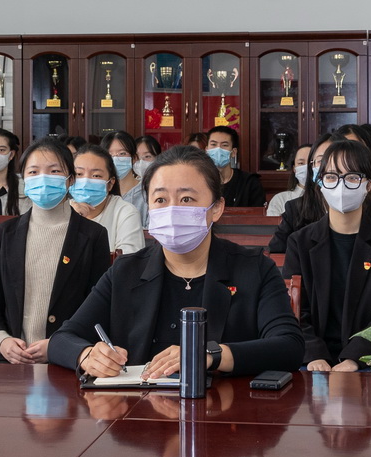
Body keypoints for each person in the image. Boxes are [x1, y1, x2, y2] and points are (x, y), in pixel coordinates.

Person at [50, 145, 304, 379]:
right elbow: (62, 339)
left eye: (186, 199)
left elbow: (289, 346)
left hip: (225, 407)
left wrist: (209, 355)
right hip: (138, 408)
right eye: (160, 200)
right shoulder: (126, 271)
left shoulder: (254, 268)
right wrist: (87, 355)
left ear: (216, 208)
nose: (172, 210)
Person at [283, 137, 371, 371]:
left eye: (352, 177)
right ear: (320, 183)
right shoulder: (299, 242)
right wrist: (315, 355)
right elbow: (295, 308)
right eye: (331, 177)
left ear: (368, 185)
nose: (340, 186)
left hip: (368, 360)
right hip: (311, 361)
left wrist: (354, 358)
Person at [0, 139, 111, 365]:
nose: (43, 178)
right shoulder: (6, 233)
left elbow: (98, 306)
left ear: (70, 179)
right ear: (24, 179)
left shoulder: (93, 235)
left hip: (69, 359)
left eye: (54, 171)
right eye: (33, 172)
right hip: (9, 358)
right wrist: (2, 341)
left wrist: (59, 347)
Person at [266, 134, 371, 253]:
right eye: (322, 160)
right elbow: (277, 253)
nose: (330, 167)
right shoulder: (295, 210)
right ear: (312, 166)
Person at [69, 143, 144, 254]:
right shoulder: (64, 211)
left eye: (96, 175)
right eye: (79, 174)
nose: (85, 181)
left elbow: (128, 260)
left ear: (110, 183)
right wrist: (73, 219)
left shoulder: (125, 212)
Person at [201, 125, 265, 207]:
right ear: (206, 150)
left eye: (224, 145)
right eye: (213, 144)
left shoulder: (249, 183)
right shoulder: (199, 180)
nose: (218, 149)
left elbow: (257, 213)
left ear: (233, 152)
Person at [266, 143, 313, 216]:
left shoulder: (327, 198)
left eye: (311, 163)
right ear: (294, 168)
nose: (306, 167)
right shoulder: (280, 199)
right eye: (301, 163)